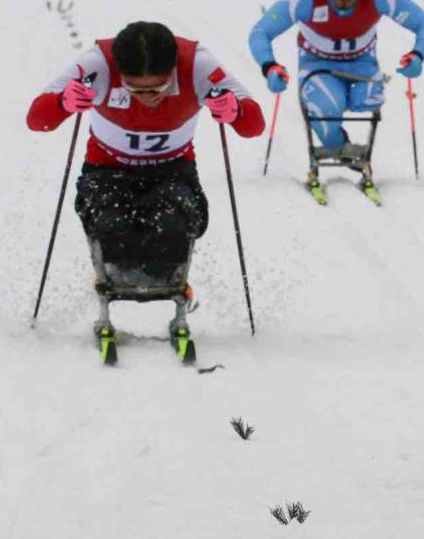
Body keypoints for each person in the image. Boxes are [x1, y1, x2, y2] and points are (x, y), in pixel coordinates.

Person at [25, 21, 263, 356]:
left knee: (173, 228)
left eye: (159, 89)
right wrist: (63, 103)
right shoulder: (97, 62)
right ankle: (106, 293)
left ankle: (180, 299)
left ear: (173, 71)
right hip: (108, 170)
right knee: (110, 228)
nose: (148, 99)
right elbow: (37, 119)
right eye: (136, 91)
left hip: (172, 171)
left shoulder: (198, 64)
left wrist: (236, 111)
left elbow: (255, 125)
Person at [247, 0, 424, 202]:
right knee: (327, 108)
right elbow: (261, 32)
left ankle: (346, 148)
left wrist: (417, 56)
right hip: (317, 65)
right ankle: (338, 147)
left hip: (362, 63)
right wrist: (270, 67)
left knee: (370, 100)